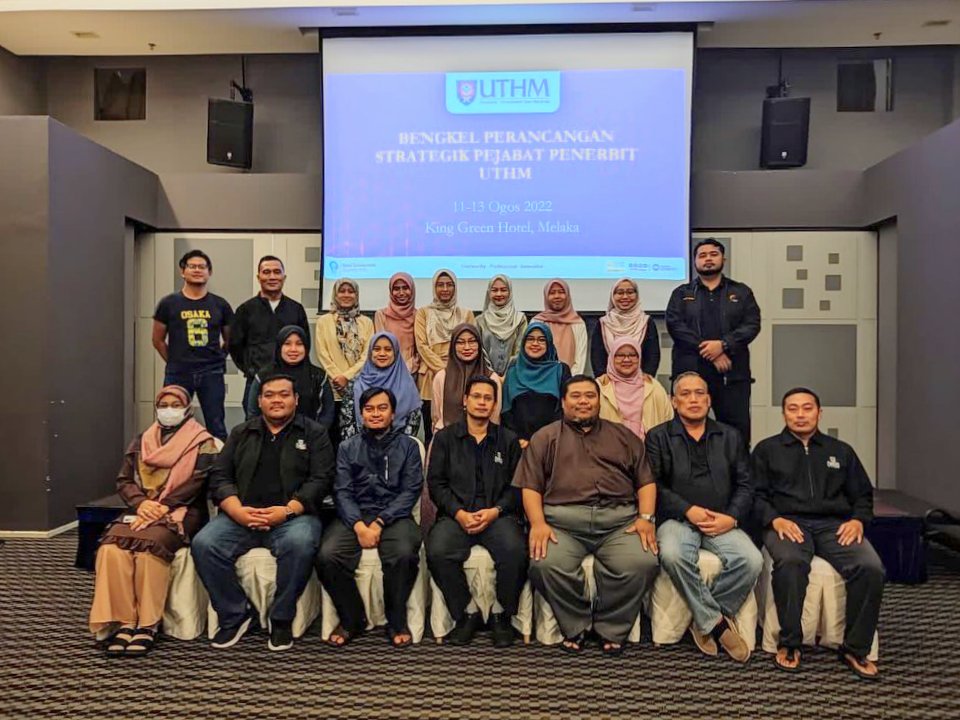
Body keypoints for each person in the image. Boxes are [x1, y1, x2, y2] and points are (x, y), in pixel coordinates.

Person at [513, 375, 659, 656]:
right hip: (563, 524)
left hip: (619, 523)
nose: (583, 402)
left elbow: (646, 481)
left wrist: (645, 518)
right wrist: (538, 523)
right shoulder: (545, 437)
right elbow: (530, 486)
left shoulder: (623, 436)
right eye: (576, 396)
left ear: (599, 401)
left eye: (590, 396)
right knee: (544, 563)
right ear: (564, 402)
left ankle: (610, 628)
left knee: (643, 561)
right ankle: (577, 624)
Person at [191, 373, 334, 652]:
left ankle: (281, 618)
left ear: (296, 399)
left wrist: (288, 511)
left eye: (284, 394)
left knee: (300, 543)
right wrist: (236, 510)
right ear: (259, 401)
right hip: (241, 516)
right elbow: (219, 477)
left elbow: (322, 479)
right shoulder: (241, 433)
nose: (276, 400)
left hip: (293, 517)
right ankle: (235, 614)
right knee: (204, 543)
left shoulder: (314, 433)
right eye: (269, 395)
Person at [752, 387, 883, 680]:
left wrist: (858, 521)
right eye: (793, 409)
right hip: (787, 523)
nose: (800, 414)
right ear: (783, 414)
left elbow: (863, 495)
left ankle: (856, 648)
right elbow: (755, 495)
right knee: (791, 563)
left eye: (807, 408)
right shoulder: (767, 450)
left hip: (835, 526)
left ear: (819, 413)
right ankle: (789, 643)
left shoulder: (841, 451)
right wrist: (774, 519)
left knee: (870, 567)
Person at [89, 385, 218, 657]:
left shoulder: (202, 441)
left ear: (187, 409)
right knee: (111, 548)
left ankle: (147, 625)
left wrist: (162, 506)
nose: (169, 410)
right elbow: (124, 480)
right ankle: (125, 621)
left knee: (149, 549)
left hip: (184, 511)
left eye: (175, 405)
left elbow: (199, 481)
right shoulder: (142, 440)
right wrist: (142, 504)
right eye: (164, 405)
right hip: (142, 509)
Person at [645, 372, 762, 663]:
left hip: (721, 519)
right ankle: (720, 626)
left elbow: (746, 484)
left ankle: (707, 621)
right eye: (685, 394)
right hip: (677, 519)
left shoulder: (730, 436)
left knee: (751, 560)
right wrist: (687, 509)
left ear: (709, 400)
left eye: (699, 393)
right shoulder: (658, 436)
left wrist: (731, 518)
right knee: (673, 555)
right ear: (674, 401)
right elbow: (653, 485)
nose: (693, 399)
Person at [318, 387, 424, 648]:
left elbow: (410, 491)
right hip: (355, 515)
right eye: (369, 409)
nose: (375, 414)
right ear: (361, 413)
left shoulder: (408, 447)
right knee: (327, 555)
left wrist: (379, 522)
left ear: (393, 413)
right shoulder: (347, 447)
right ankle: (352, 618)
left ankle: (396, 620)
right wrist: (358, 524)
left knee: (403, 554)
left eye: (382, 408)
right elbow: (342, 491)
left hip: (395, 515)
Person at [426, 376, 526, 647]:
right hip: (456, 515)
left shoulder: (508, 440)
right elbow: (436, 484)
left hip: (497, 515)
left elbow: (517, 487)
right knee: (437, 550)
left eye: (488, 398)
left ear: (494, 405)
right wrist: (458, 513)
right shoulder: (445, 438)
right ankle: (467, 612)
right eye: (477, 397)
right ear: (465, 400)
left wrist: (496, 510)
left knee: (516, 551)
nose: (482, 402)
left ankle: (500, 614)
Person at [665, 238, 761, 446]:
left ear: (723, 259)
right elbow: (676, 326)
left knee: (736, 434)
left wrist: (724, 345)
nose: (708, 259)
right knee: (684, 432)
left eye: (713, 254)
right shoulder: (681, 294)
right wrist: (712, 351)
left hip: (731, 376)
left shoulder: (741, 292)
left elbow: (752, 324)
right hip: (691, 372)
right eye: (702, 255)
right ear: (695, 262)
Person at [152, 249, 234, 440]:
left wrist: (218, 358)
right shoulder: (168, 303)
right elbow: (157, 340)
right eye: (192, 266)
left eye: (202, 267)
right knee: (171, 422)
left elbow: (230, 339)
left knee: (216, 424)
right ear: (183, 271)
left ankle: (218, 459)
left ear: (209, 272)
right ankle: (171, 458)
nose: (197, 270)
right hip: (178, 372)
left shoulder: (220, 304)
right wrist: (174, 360)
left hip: (211, 372)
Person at [230, 255, 310, 419]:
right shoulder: (246, 310)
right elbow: (235, 345)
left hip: (291, 382)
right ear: (258, 277)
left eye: (277, 272)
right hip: (257, 381)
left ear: (284, 277)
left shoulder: (296, 309)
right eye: (266, 272)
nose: (272, 277)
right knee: (253, 426)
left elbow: (305, 343)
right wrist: (251, 369)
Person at [414, 269, 475, 445]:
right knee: (433, 430)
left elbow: (472, 344)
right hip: (430, 377)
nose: (445, 289)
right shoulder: (423, 313)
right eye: (440, 285)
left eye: (449, 285)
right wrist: (444, 371)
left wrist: (454, 371)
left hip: (461, 377)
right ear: (434, 288)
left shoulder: (466, 314)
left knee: (461, 428)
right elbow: (422, 345)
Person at [315, 278, 375, 438]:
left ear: (357, 295)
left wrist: (347, 377)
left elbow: (367, 355)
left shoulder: (367, 322)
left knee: (357, 436)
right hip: (333, 388)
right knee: (332, 436)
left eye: (351, 291)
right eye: (342, 291)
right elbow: (322, 353)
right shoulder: (324, 321)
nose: (346, 295)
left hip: (359, 388)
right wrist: (338, 378)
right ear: (335, 295)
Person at [245, 325, 335, 430]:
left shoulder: (318, 376)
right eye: (287, 344)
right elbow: (253, 412)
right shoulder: (264, 375)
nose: (293, 349)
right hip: (269, 436)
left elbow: (327, 413)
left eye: (299, 344)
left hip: (310, 436)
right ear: (279, 347)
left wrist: (316, 435)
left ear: (306, 347)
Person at [339, 331, 423, 442]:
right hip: (361, 447)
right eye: (377, 349)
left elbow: (412, 423)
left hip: (399, 448)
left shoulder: (407, 384)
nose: (382, 353)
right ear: (370, 352)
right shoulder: (356, 383)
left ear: (396, 352)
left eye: (388, 349)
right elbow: (347, 423)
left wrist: (395, 448)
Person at [500, 322, 570, 446]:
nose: (535, 343)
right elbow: (506, 411)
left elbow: (565, 408)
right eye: (530, 339)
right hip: (520, 445)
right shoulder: (513, 372)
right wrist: (517, 439)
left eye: (541, 340)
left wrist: (547, 440)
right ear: (523, 343)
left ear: (549, 343)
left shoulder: (560, 370)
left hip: (553, 443)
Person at [597, 337, 673, 439]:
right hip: (609, 446)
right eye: (620, 355)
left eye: (632, 355)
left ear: (639, 358)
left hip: (648, 447)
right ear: (611, 358)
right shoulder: (600, 387)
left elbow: (668, 421)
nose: (626, 360)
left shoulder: (654, 387)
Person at [431, 323, 502, 431]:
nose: (467, 347)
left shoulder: (492, 378)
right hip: (446, 436)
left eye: (472, 341)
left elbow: (495, 416)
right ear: (453, 346)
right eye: (460, 342)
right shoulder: (441, 377)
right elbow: (436, 416)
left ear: (479, 345)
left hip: (483, 436)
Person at [591, 277, 661, 378]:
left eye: (630, 292)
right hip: (609, 381)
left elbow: (652, 356)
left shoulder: (646, 322)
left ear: (637, 295)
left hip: (640, 381)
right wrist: (604, 380)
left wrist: (646, 379)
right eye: (620, 293)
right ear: (612, 296)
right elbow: (597, 357)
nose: (625, 297)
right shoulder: (603, 323)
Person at [476, 274, 527, 376]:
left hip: (514, 375)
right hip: (485, 377)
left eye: (503, 290)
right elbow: (479, 352)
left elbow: (521, 350)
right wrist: (491, 375)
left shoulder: (520, 319)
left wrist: (507, 375)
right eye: (494, 290)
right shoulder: (480, 321)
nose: (499, 294)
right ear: (489, 293)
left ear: (510, 292)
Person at [533, 278, 587, 375]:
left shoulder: (578, 323)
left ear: (568, 295)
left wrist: (569, 380)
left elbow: (580, 359)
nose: (557, 296)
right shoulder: (537, 322)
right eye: (552, 293)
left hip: (570, 380)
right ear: (546, 296)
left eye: (561, 292)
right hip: (541, 378)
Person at [374, 271, 420, 376]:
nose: (401, 293)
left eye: (405, 288)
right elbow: (382, 346)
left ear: (412, 289)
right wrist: (394, 370)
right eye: (396, 289)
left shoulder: (418, 315)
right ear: (391, 291)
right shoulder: (381, 315)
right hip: (387, 371)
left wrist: (407, 367)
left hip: (412, 371)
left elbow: (420, 349)